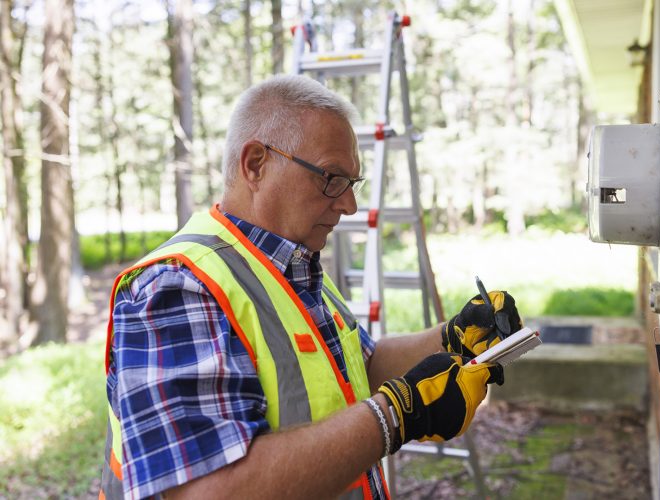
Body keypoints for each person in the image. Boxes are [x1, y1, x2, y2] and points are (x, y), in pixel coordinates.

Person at [99, 75, 522, 500]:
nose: (349, 205)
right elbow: (207, 490)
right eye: (331, 177)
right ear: (256, 165)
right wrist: (395, 416)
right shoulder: (178, 286)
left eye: (351, 183)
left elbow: (358, 371)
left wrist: (450, 339)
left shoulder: (291, 262)